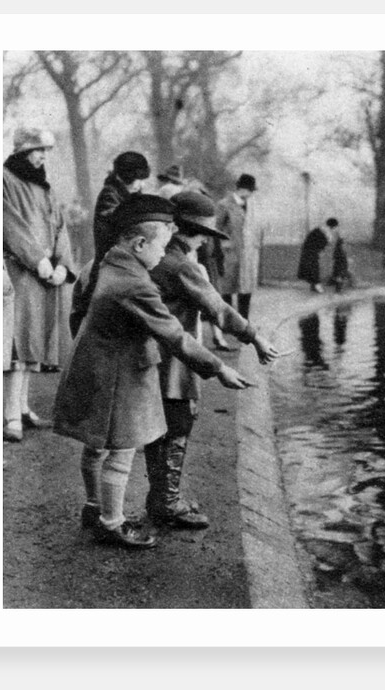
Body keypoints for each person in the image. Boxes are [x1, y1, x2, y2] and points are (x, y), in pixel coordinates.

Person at [53, 194, 253, 549]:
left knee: (95, 445)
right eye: (161, 246)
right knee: (123, 450)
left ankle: (94, 506)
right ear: (140, 243)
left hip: (91, 366)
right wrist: (219, 367)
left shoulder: (103, 264)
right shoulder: (135, 283)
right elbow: (174, 334)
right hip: (119, 375)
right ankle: (113, 524)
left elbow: (76, 312)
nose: (163, 255)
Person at [144, 191, 280, 529]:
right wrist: (255, 337)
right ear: (190, 232)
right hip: (174, 360)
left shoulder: (156, 259)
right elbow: (218, 309)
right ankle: (168, 503)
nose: (206, 240)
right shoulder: (182, 265)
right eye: (204, 234)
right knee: (178, 424)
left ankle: (159, 497)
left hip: (151, 356)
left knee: (158, 428)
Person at [3, 126, 76, 443]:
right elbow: (9, 224)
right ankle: (8, 415)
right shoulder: (4, 180)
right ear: (22, 152)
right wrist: (38, 260)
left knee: (33, 343)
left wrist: (63, 263)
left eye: (45, 151)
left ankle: (22, 408)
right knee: (18, 343)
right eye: (37, 150)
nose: (43, 156)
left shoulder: (44, 186)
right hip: (20, 271)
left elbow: (59, 225)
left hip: (45, 274)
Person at [69, 151, 151, 337]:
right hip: (109, 262)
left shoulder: (126, 193)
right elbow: (118, 224)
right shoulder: (110, 195)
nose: (141, 184)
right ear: (127, 176)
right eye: (138, 178)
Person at [212, 173, 260, 329]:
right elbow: (216, 228)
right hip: (230, 254)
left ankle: (243, 323)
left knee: (246, 287)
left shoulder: (251, 205)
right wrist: (224, 244)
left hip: (247, 254)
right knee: (228, 287)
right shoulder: (224, 204)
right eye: (251, 191)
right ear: (243, 189)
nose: (252, 194)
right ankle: (227, 323)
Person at [297, 217, 336, 293]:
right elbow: (325, 242)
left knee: (311, 268)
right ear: (332, 226)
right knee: (314, 269)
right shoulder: (325, 232)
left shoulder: (318, 230)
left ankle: (314, 286)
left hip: (309, 252)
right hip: (312, 252)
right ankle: (316, 286)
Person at [327, 221, 355, 293]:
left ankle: (338, 288)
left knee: (341, 273)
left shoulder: (338, 237)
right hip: (339, 259)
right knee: (340, 273)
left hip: (340, 259)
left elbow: (339, 242)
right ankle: (338, 288)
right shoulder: (339, 246)